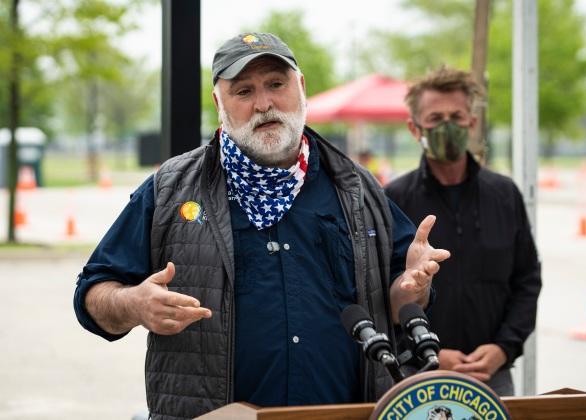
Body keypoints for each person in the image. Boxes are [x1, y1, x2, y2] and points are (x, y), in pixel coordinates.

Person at [73, 32, 450, 419]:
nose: (264, 103)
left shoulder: (357, 187)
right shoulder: (170, 190)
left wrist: (411, 288)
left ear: (301, 87)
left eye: (275, 84)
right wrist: (133, 304)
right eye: (244, 91)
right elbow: (92, 295)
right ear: (219, 102)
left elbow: (401, 297)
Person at [385, 67, 541, 396]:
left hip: (492, 375)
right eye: (435, 117)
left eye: (457, 116)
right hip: (417, 375)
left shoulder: (504, 194)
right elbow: (378, 294)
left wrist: (503, 348)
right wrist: (427, 351)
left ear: (472, 122)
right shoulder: (393, 199)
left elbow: (527, 279)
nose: (447, 126)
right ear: (415, 129)